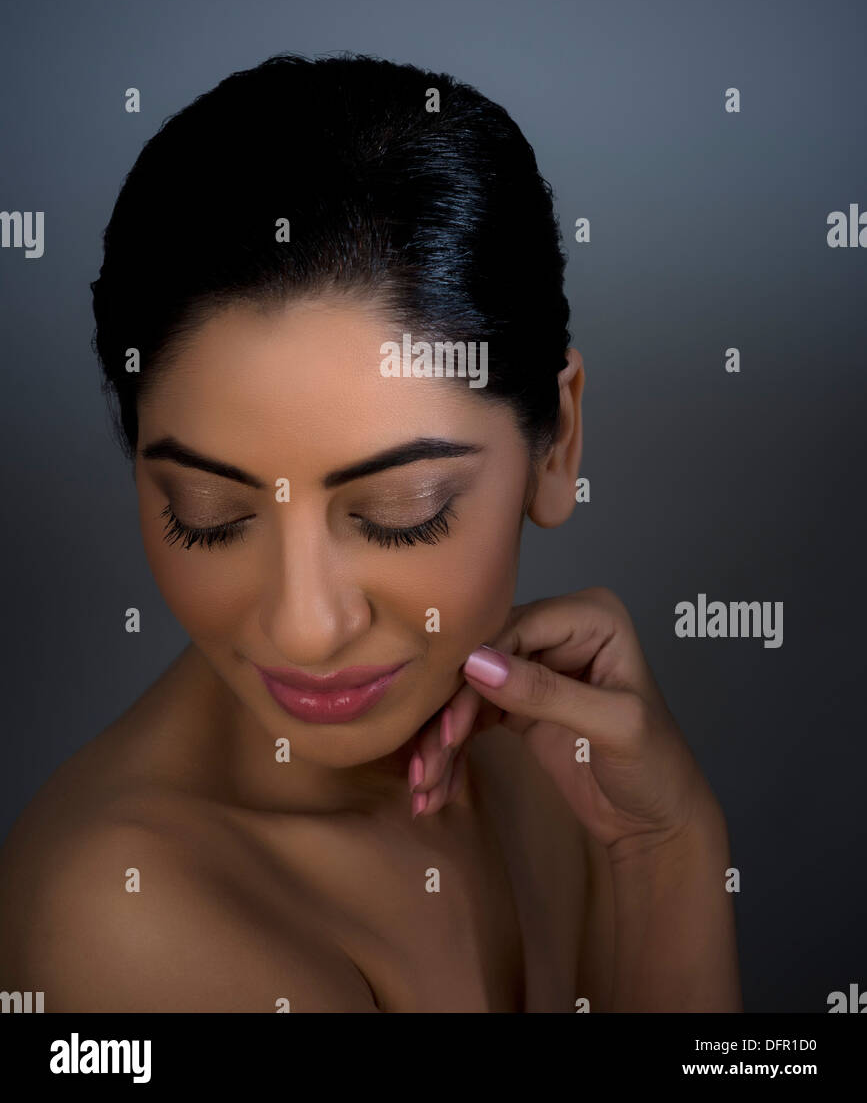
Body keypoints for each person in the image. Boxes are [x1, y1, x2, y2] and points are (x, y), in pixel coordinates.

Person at [0, 52, 742, 1012]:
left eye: (403, 514)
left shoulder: (567, 767)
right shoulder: (124, 927)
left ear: (555, 442)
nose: (305, 629)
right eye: (210, 517)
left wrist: (668, 853)